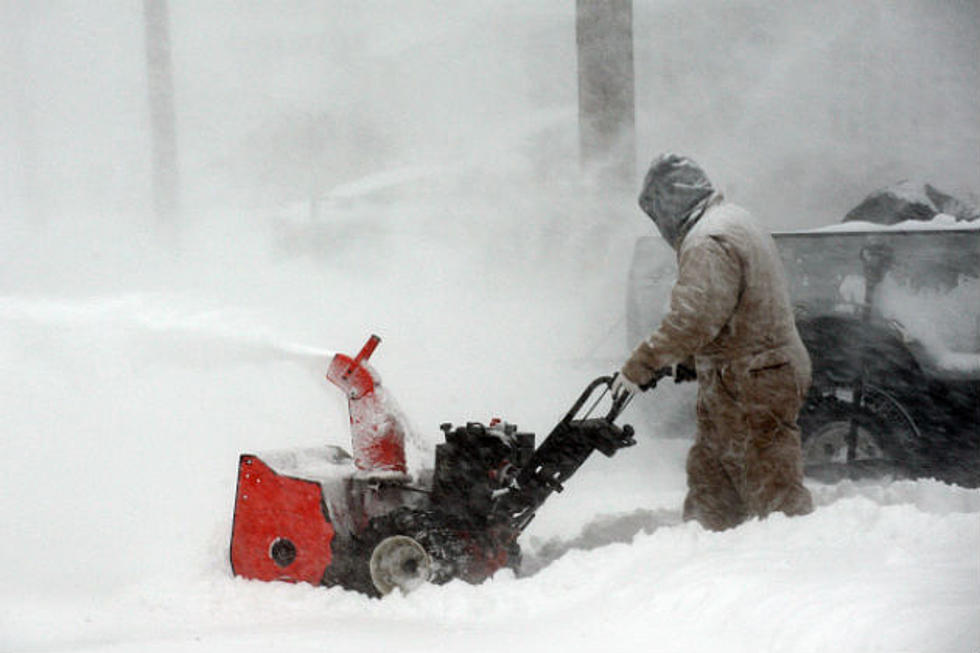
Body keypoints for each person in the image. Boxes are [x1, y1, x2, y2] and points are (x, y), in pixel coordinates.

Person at [612, 153, 814, 531]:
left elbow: (693, 319)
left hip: (753, 378)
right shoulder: (734, 220)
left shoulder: (707, 240)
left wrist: (641, 365)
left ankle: (792, 556)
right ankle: (707, 548)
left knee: (769, 480)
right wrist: (689, 361)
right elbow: (728, 306)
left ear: (669, 205)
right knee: (713, 471)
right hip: (749, 372)